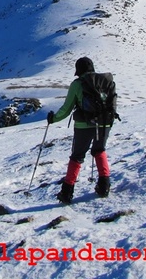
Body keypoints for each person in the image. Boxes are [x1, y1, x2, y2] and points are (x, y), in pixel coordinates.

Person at [47, 57, 117, 204]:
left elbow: (66, 109)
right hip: (105, 123)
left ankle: (67, 192)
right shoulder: (105, 81)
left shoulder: (78, 84)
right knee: (100, 150)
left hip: (84, 125)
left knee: (77, 156)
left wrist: (53, 119)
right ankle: (104, 185)